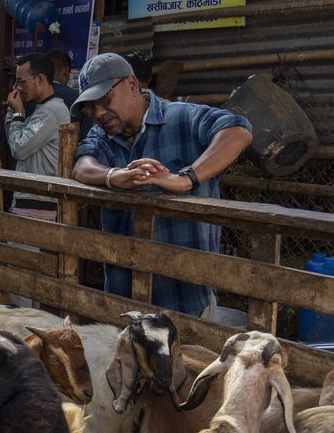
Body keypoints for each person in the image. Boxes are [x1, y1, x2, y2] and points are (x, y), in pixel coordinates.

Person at [70, 52, 252, 318]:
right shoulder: (102, 135)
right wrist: (112, 175)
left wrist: (186, 178)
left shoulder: (182, 118)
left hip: (185, 299)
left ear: (132, 85)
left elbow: (238, 131)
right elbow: (81, 166)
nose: (98, 113)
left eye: (104, 100)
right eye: (91, 107)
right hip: (123, 300)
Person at [4, 54, 67, 221]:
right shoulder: (43, 109)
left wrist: (17, 113)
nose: (17, 88)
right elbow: (13, 141)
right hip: (30, 201)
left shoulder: (50, 111)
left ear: (40, 79)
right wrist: (13, 111)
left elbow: (18, 149)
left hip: (37, 204)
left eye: (21, 81)